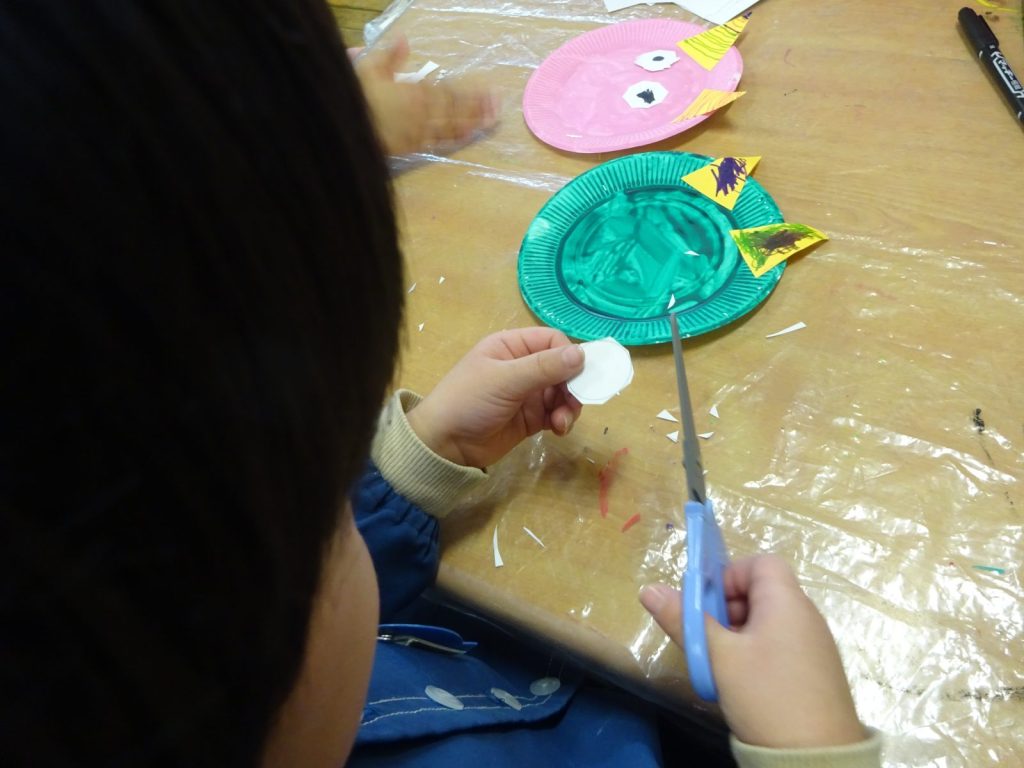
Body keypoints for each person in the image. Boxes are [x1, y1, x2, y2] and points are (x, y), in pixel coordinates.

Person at [0, 2, 881, 767]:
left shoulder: (165, 611)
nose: (343, 516)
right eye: (327, 516)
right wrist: (812, 747)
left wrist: (412, 467)